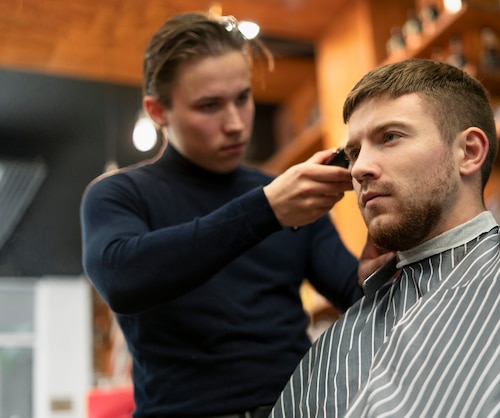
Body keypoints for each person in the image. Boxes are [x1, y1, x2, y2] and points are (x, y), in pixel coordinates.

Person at [270, 58, 500, 417]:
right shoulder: (341, 341)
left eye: (390, 137)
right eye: (354, 152)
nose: (359, 169)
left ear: (469, 152)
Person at [80, 12, 391, 418]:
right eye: (209, 106)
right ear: (157, 112)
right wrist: (267, 210)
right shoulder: (119, 195)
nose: (234, 124)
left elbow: (354, 298)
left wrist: (382, 263)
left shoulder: (287, 195)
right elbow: (123, 278)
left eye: (242, 98)